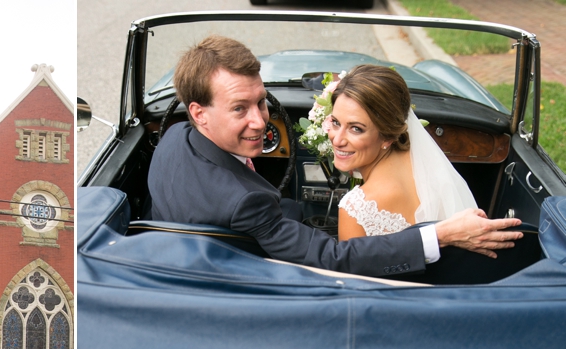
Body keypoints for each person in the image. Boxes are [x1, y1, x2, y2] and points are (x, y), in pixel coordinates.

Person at [147, 35, 522, 279]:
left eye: (261, 102)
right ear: (199, 113)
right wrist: (439, 234)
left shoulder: (172, 140)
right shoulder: (246, 203)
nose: (260, 120)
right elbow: (333, 258)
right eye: (239, 109)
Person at [329, 65, 478, 239]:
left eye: (356, 129)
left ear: (387, 136)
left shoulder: (354, 209)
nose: (337, 140)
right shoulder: (427, 163)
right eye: (336, 122)